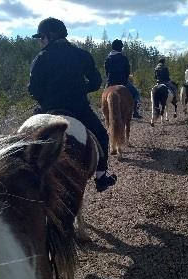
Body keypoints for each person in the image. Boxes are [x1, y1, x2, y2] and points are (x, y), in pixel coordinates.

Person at [28, 17, 117, 192]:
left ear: (50, 36)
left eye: (41, 37)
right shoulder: (82, 55)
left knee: (21, 139)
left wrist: (45, 98)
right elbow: (96, 81)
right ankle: (101, 177)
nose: (40, 41)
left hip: (48, 109)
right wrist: (80, 89)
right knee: (101, 136)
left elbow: (33, 90)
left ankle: (22, 179)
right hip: (78, 108)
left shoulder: (41, 58)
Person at [104, 39, 142, 118]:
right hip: (123, 82)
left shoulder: (107, 59)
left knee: (104, 95)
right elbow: (127, 71)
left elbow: (107, 72)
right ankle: (135, 112)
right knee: (136, 94)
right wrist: (125, 79)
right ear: (120, 48)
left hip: (110, 82)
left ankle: (105, 113)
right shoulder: (123, 58)